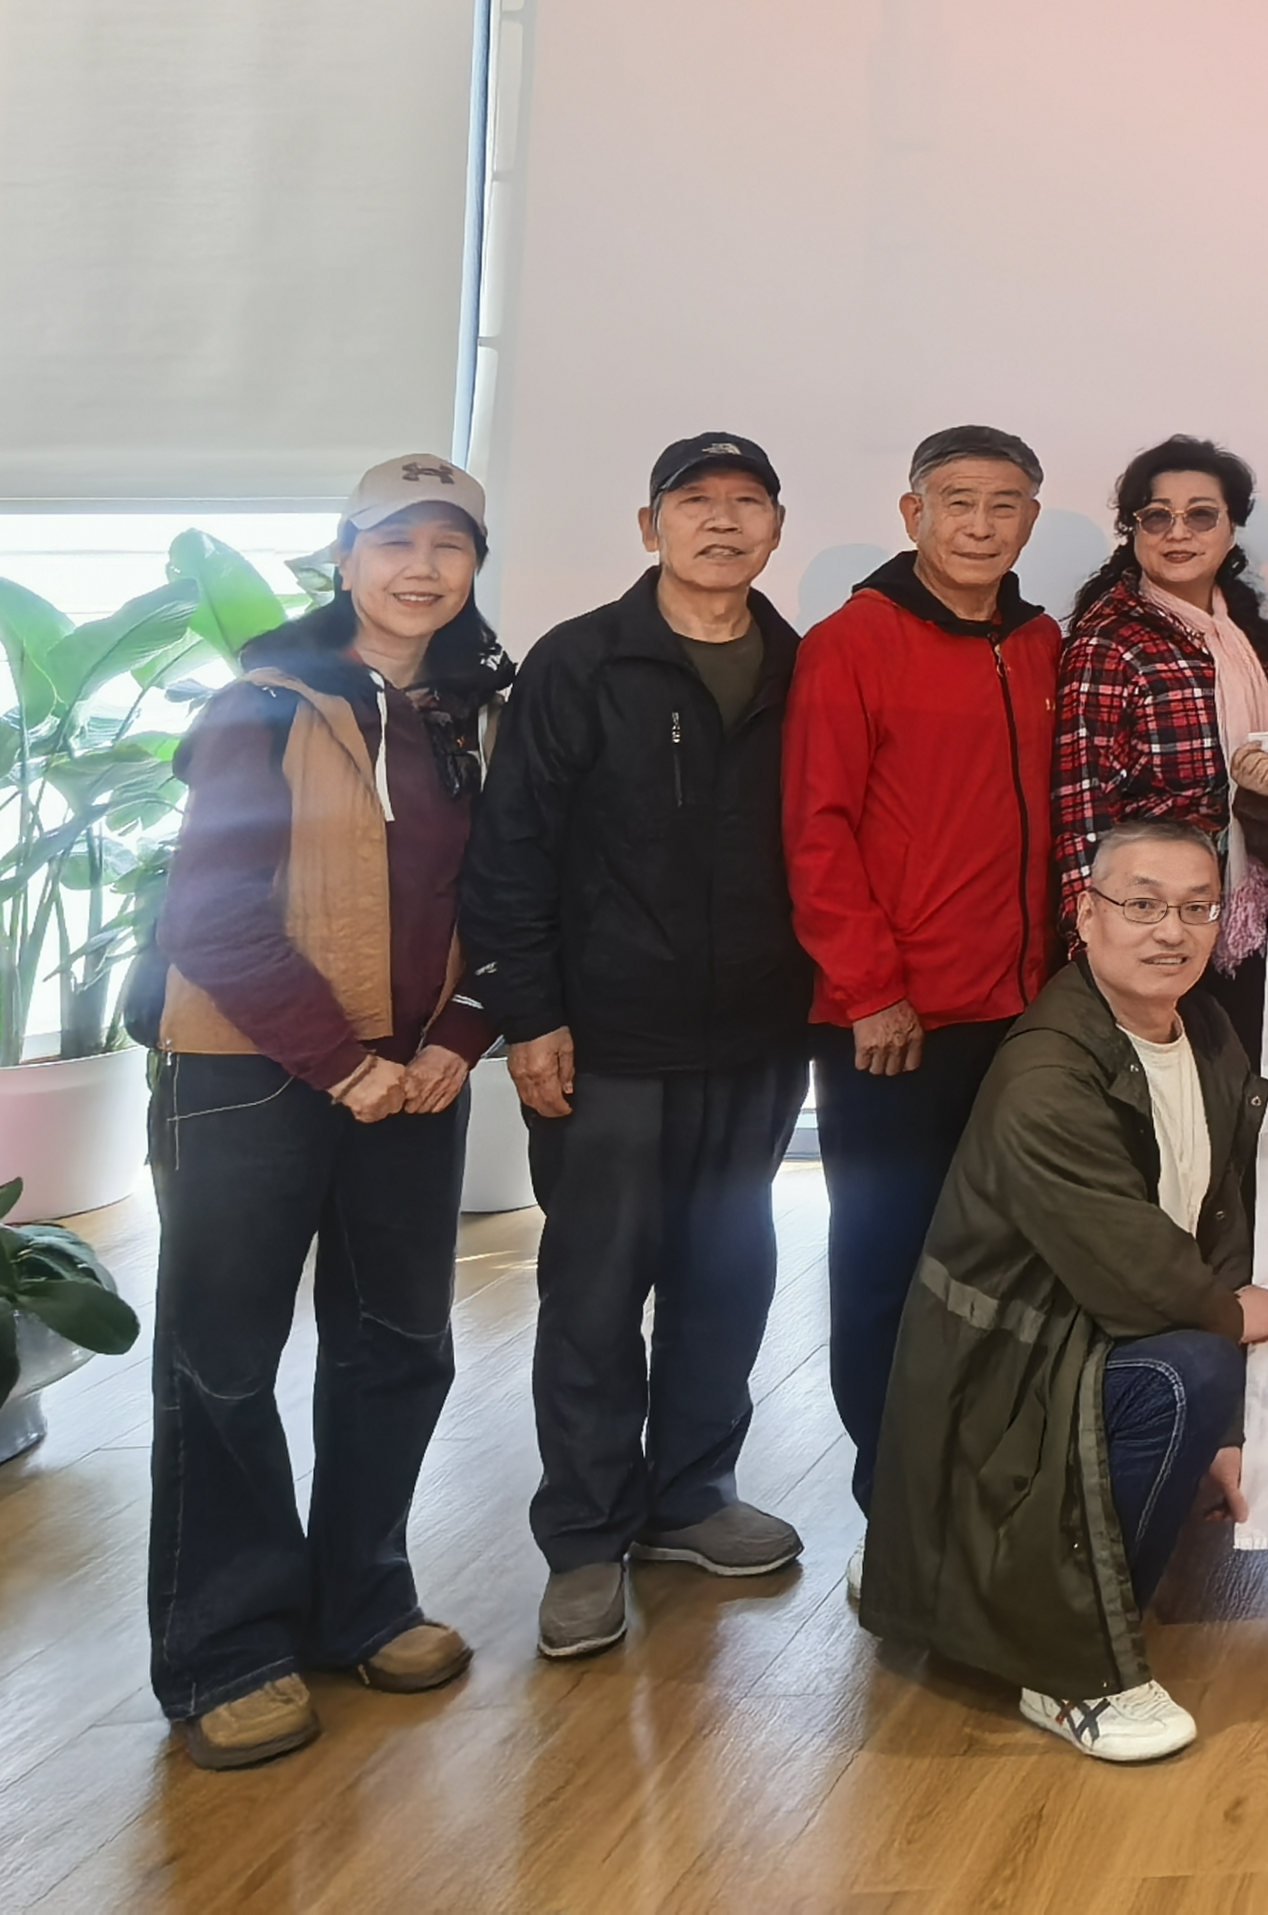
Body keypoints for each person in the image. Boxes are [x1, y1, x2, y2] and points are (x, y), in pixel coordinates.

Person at [143, 454, 513, 1769]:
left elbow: (508, 897)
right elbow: (211, 916)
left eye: (448, 546)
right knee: (225, 1363)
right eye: (394, 542)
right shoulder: (262, 705)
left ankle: (363, 1602)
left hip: (416, 1077)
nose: (421, 568)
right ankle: (226, 1650)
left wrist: (458, 1037)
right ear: (345, 558)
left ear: (473, 569)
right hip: (251, 1071)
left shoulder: (480, 717)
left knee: (397, 1346)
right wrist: (342, 1062)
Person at [462, 432, 818, 1667]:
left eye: (747, 503)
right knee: (596, 1289)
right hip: (606, 1037)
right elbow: (509, 850)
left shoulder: (803, 667)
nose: (722, 523)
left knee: (729, 1271)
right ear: (649, 526)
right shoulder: (581, 662)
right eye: (694, 502)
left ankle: (691, 1498)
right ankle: (584, 1538)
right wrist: (529, 1016)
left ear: (776, 528)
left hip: (757, 1036)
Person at [857, 821, 1268, 1764]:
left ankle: (1010, 1583)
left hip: (1087, 1335)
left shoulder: (1206, 1030)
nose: (1171, 931)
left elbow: (1224, 1222)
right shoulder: (1046, 1070)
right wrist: (1236, 1319)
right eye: (1142, 905)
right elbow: (1134, 1269)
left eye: (1197, 908)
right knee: (1194, 1366)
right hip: (1009, 1367)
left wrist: (1233, 1430)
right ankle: (1067, 1664)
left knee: (1208, 1369)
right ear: (1085, 917)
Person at [785, 423, 1063, 1510]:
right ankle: (889, 1498)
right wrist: (872, 991)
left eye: (1005, 505)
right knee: (884, 1261)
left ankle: (984, 1479)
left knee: (1000, 1259)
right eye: (958, 503)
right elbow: (815, 831)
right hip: (893, 1023)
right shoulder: (851, 641)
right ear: (914, 514)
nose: (981, 526)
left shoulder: (1040, 644)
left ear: (1029, 519)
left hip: (1018, 1015)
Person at [1053, 436, 1268, 1060]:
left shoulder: (1266, 651)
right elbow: (1082, 800)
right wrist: (1088, 938)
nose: (1178, 532)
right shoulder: (1110, 643)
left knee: (1250, 1081)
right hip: (1153, 923)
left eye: (1201, 515)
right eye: (1157, 516)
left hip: (1261, 914)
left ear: (1231, 528)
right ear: (1133, 530)